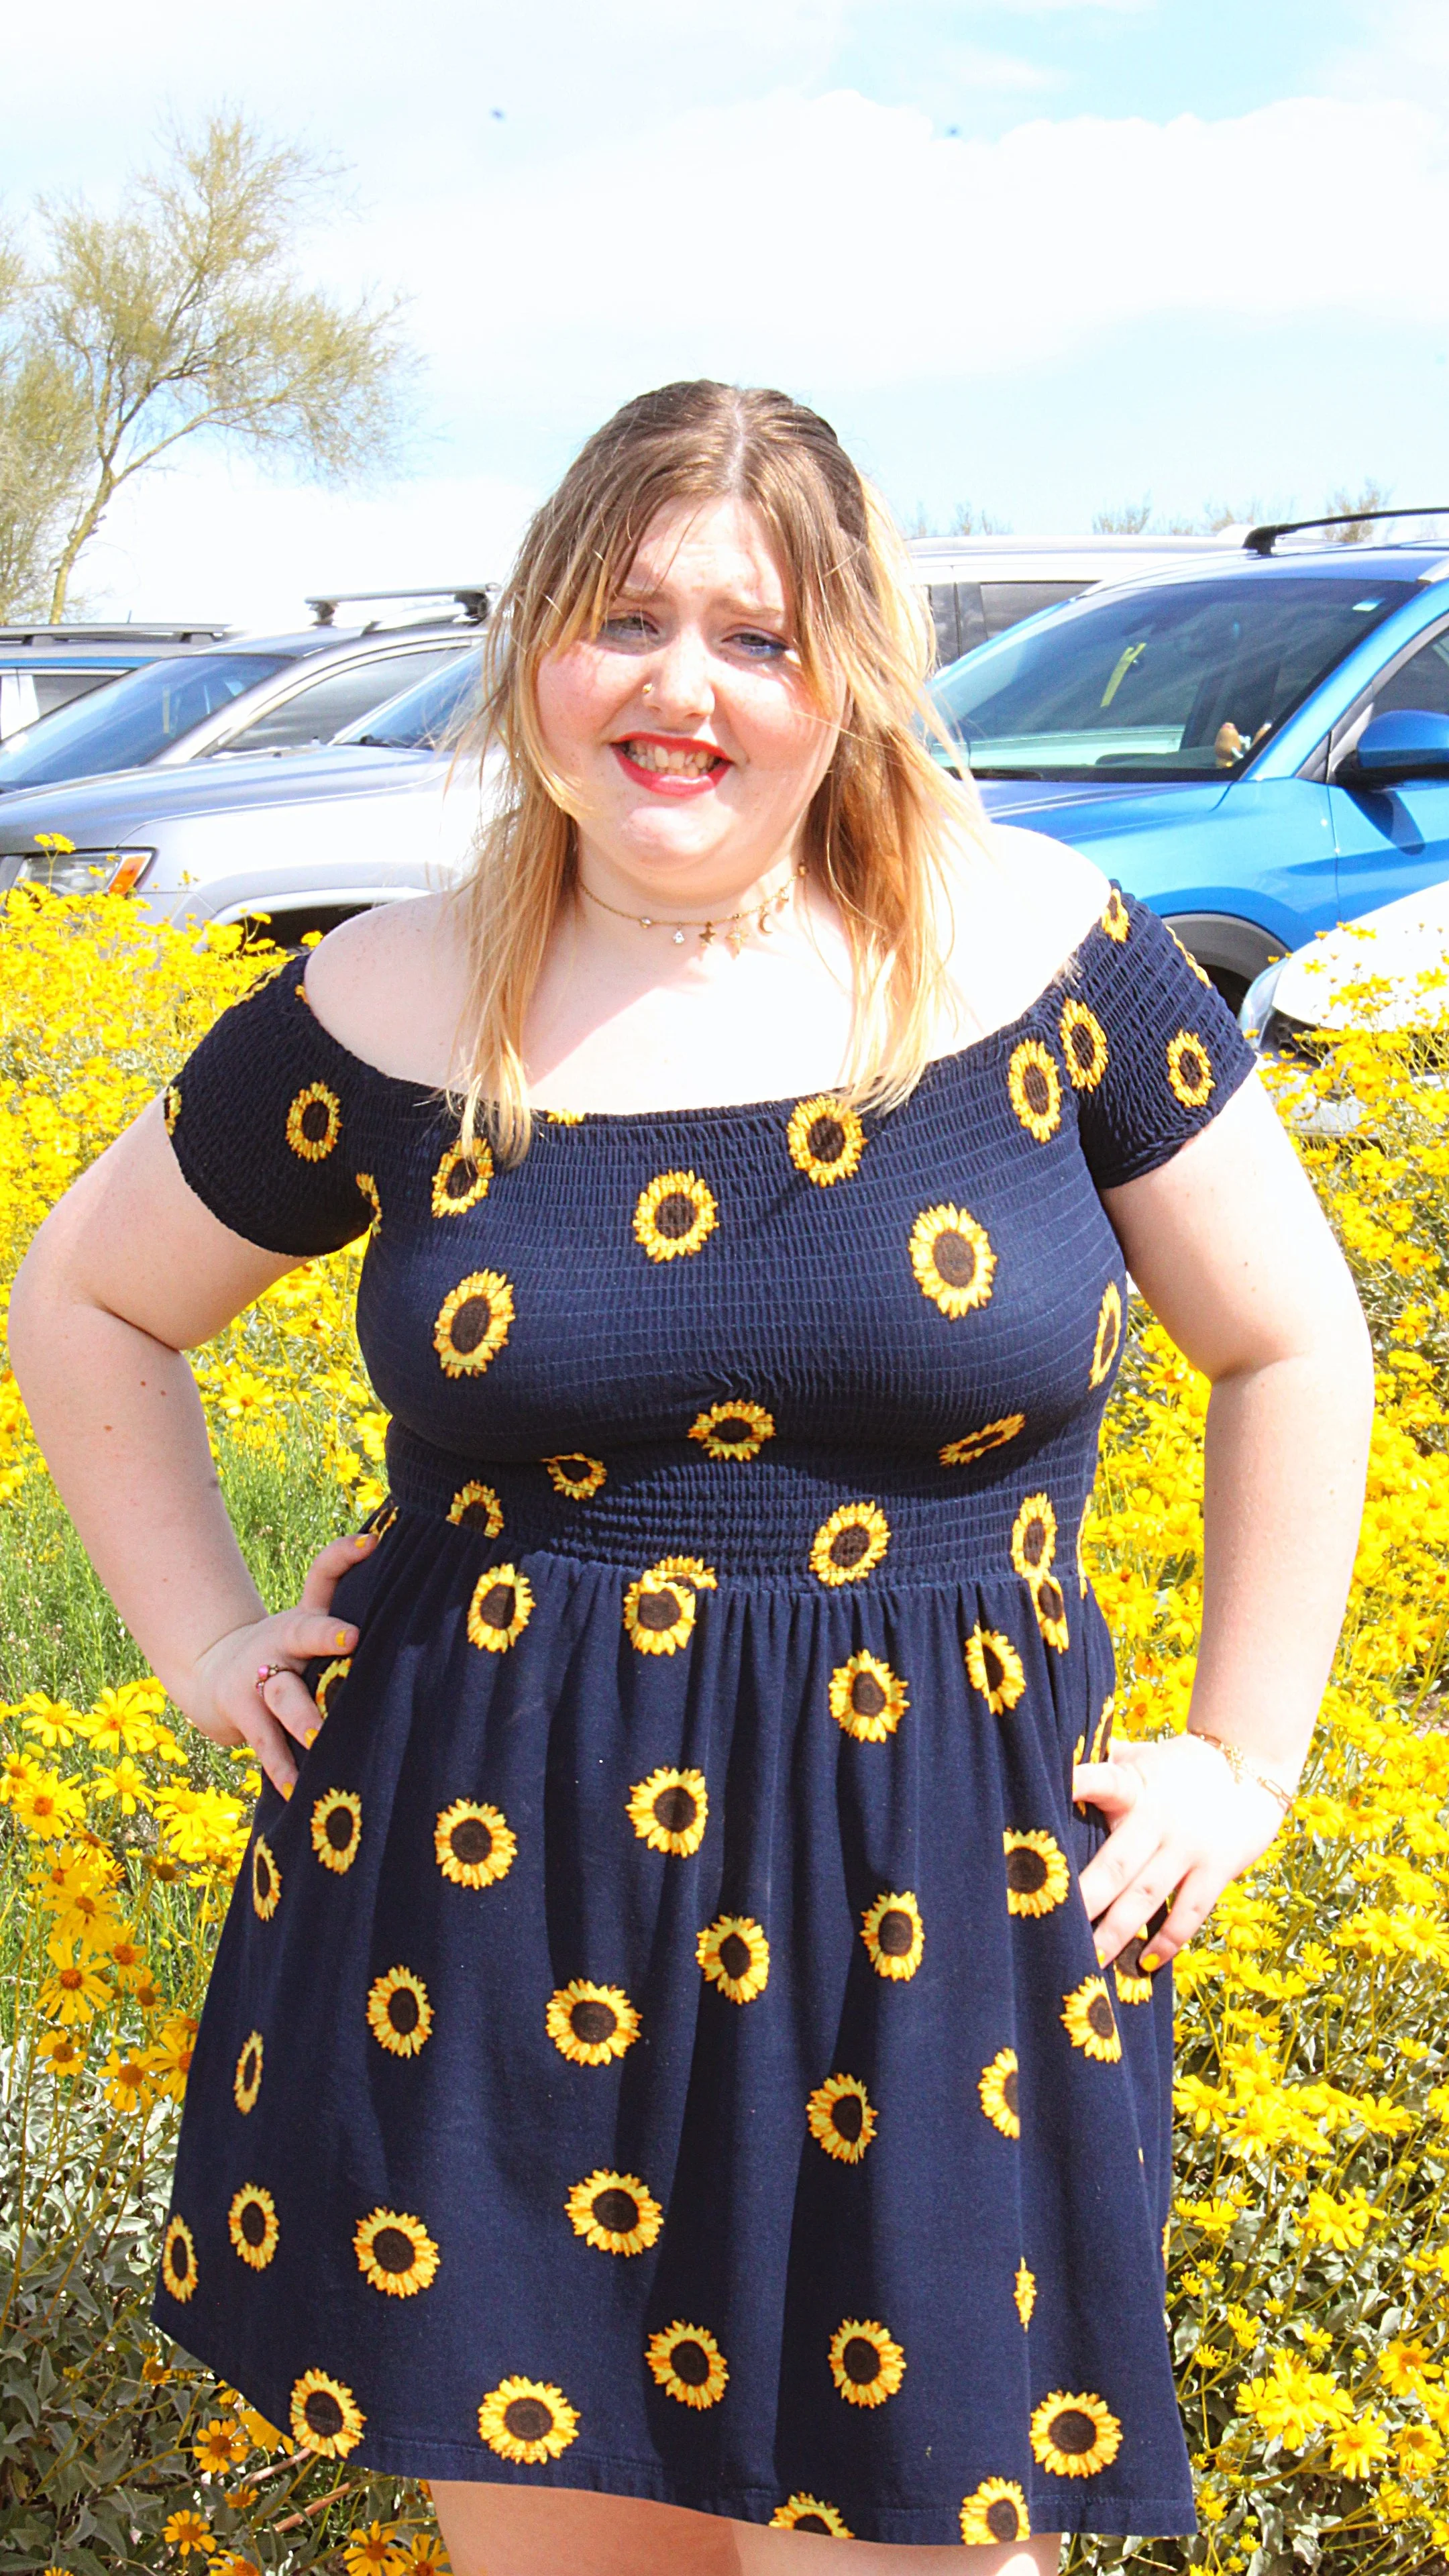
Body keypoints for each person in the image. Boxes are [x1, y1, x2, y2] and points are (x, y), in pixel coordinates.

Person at [9, 381, 1373, 2575]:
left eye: (758, 637)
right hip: (487, 1911)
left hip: (930, 1917)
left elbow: (1293, 1339)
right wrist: (201, 1640)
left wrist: (1244, 1756)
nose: (683, 689)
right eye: (625, 621)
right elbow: (89, 1298)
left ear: (853, 675)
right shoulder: (393, 999)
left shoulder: (1045, 955)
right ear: (536, 644)